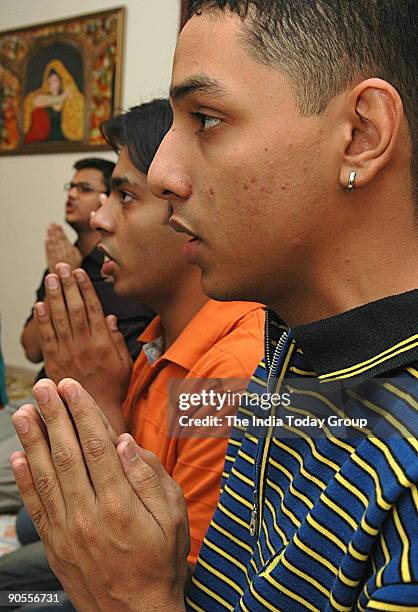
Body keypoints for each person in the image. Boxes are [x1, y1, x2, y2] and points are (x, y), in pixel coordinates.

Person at [9, 1, 418, 610]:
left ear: (361, 134)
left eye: (205, 118)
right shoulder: (287, 354)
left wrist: (134, 598)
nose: (167, 174)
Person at [0, 99, 264, 593]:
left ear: (187, 210)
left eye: (122, 196)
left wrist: (96, 402)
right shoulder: (159, 336)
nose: (99, 220)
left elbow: (171, 580)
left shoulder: (230, 371)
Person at [0, 157, 154, 514]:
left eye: (84, 189)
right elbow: (31, 348)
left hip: (76, 411)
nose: (71, 195)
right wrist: (58, 278)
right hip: (37, 395)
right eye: (70, 187)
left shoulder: (121, 273)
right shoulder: (63, 260)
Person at [23, 60, 84, 144]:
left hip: (66, 143)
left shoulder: (70, 101)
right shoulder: (40, 97)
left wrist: (65, 96)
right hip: (43, 144)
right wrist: (62, 97)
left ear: (60, 82)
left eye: (55, 80)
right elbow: (36, 101)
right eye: (50, 81)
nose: (52, 83)